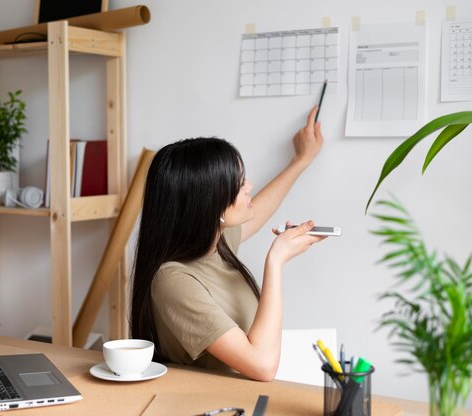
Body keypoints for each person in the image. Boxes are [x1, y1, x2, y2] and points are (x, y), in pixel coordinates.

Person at [130, 107, 326, 381]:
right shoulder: (173, 281)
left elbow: (257, 212)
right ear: (212, 203)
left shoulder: (213, 243)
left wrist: (301, 159)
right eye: (239, 182)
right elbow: (262, 366)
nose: (249, 186)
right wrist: (276, 260)